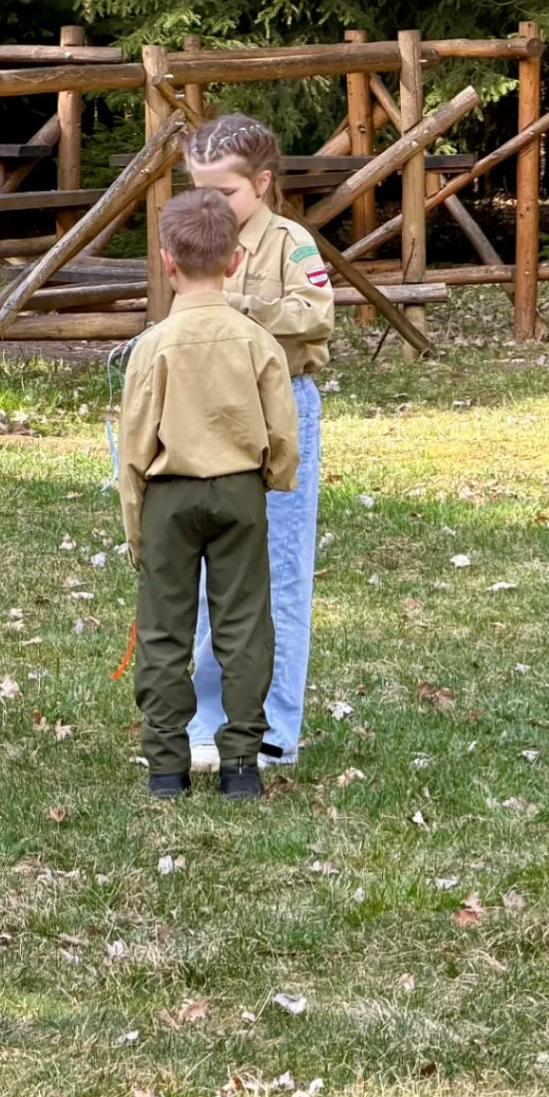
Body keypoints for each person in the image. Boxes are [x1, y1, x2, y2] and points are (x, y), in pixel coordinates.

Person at [119, 189, 300, 801]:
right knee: (244, 626)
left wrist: (136, 530)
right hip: (240, 491)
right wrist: (272, 479)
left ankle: (166, 768)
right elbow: (283, 431)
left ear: (166, 260)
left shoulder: (153, 346)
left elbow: (134, 447)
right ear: (235, 260)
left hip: (168, 497)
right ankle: (241, 764)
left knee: (163, 630)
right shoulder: (257, 341)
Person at [182, 113, 333, 772]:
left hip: (277, 412)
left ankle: (272, 728)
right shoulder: (196, 241)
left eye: (225, 192)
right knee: (210, 568)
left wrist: (241, 310)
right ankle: (208, 722)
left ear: (263, 184)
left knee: (279, 570)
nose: (210, 205)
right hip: (208, 412)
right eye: (198, 191)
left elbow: (316, 314)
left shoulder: (290, 243)